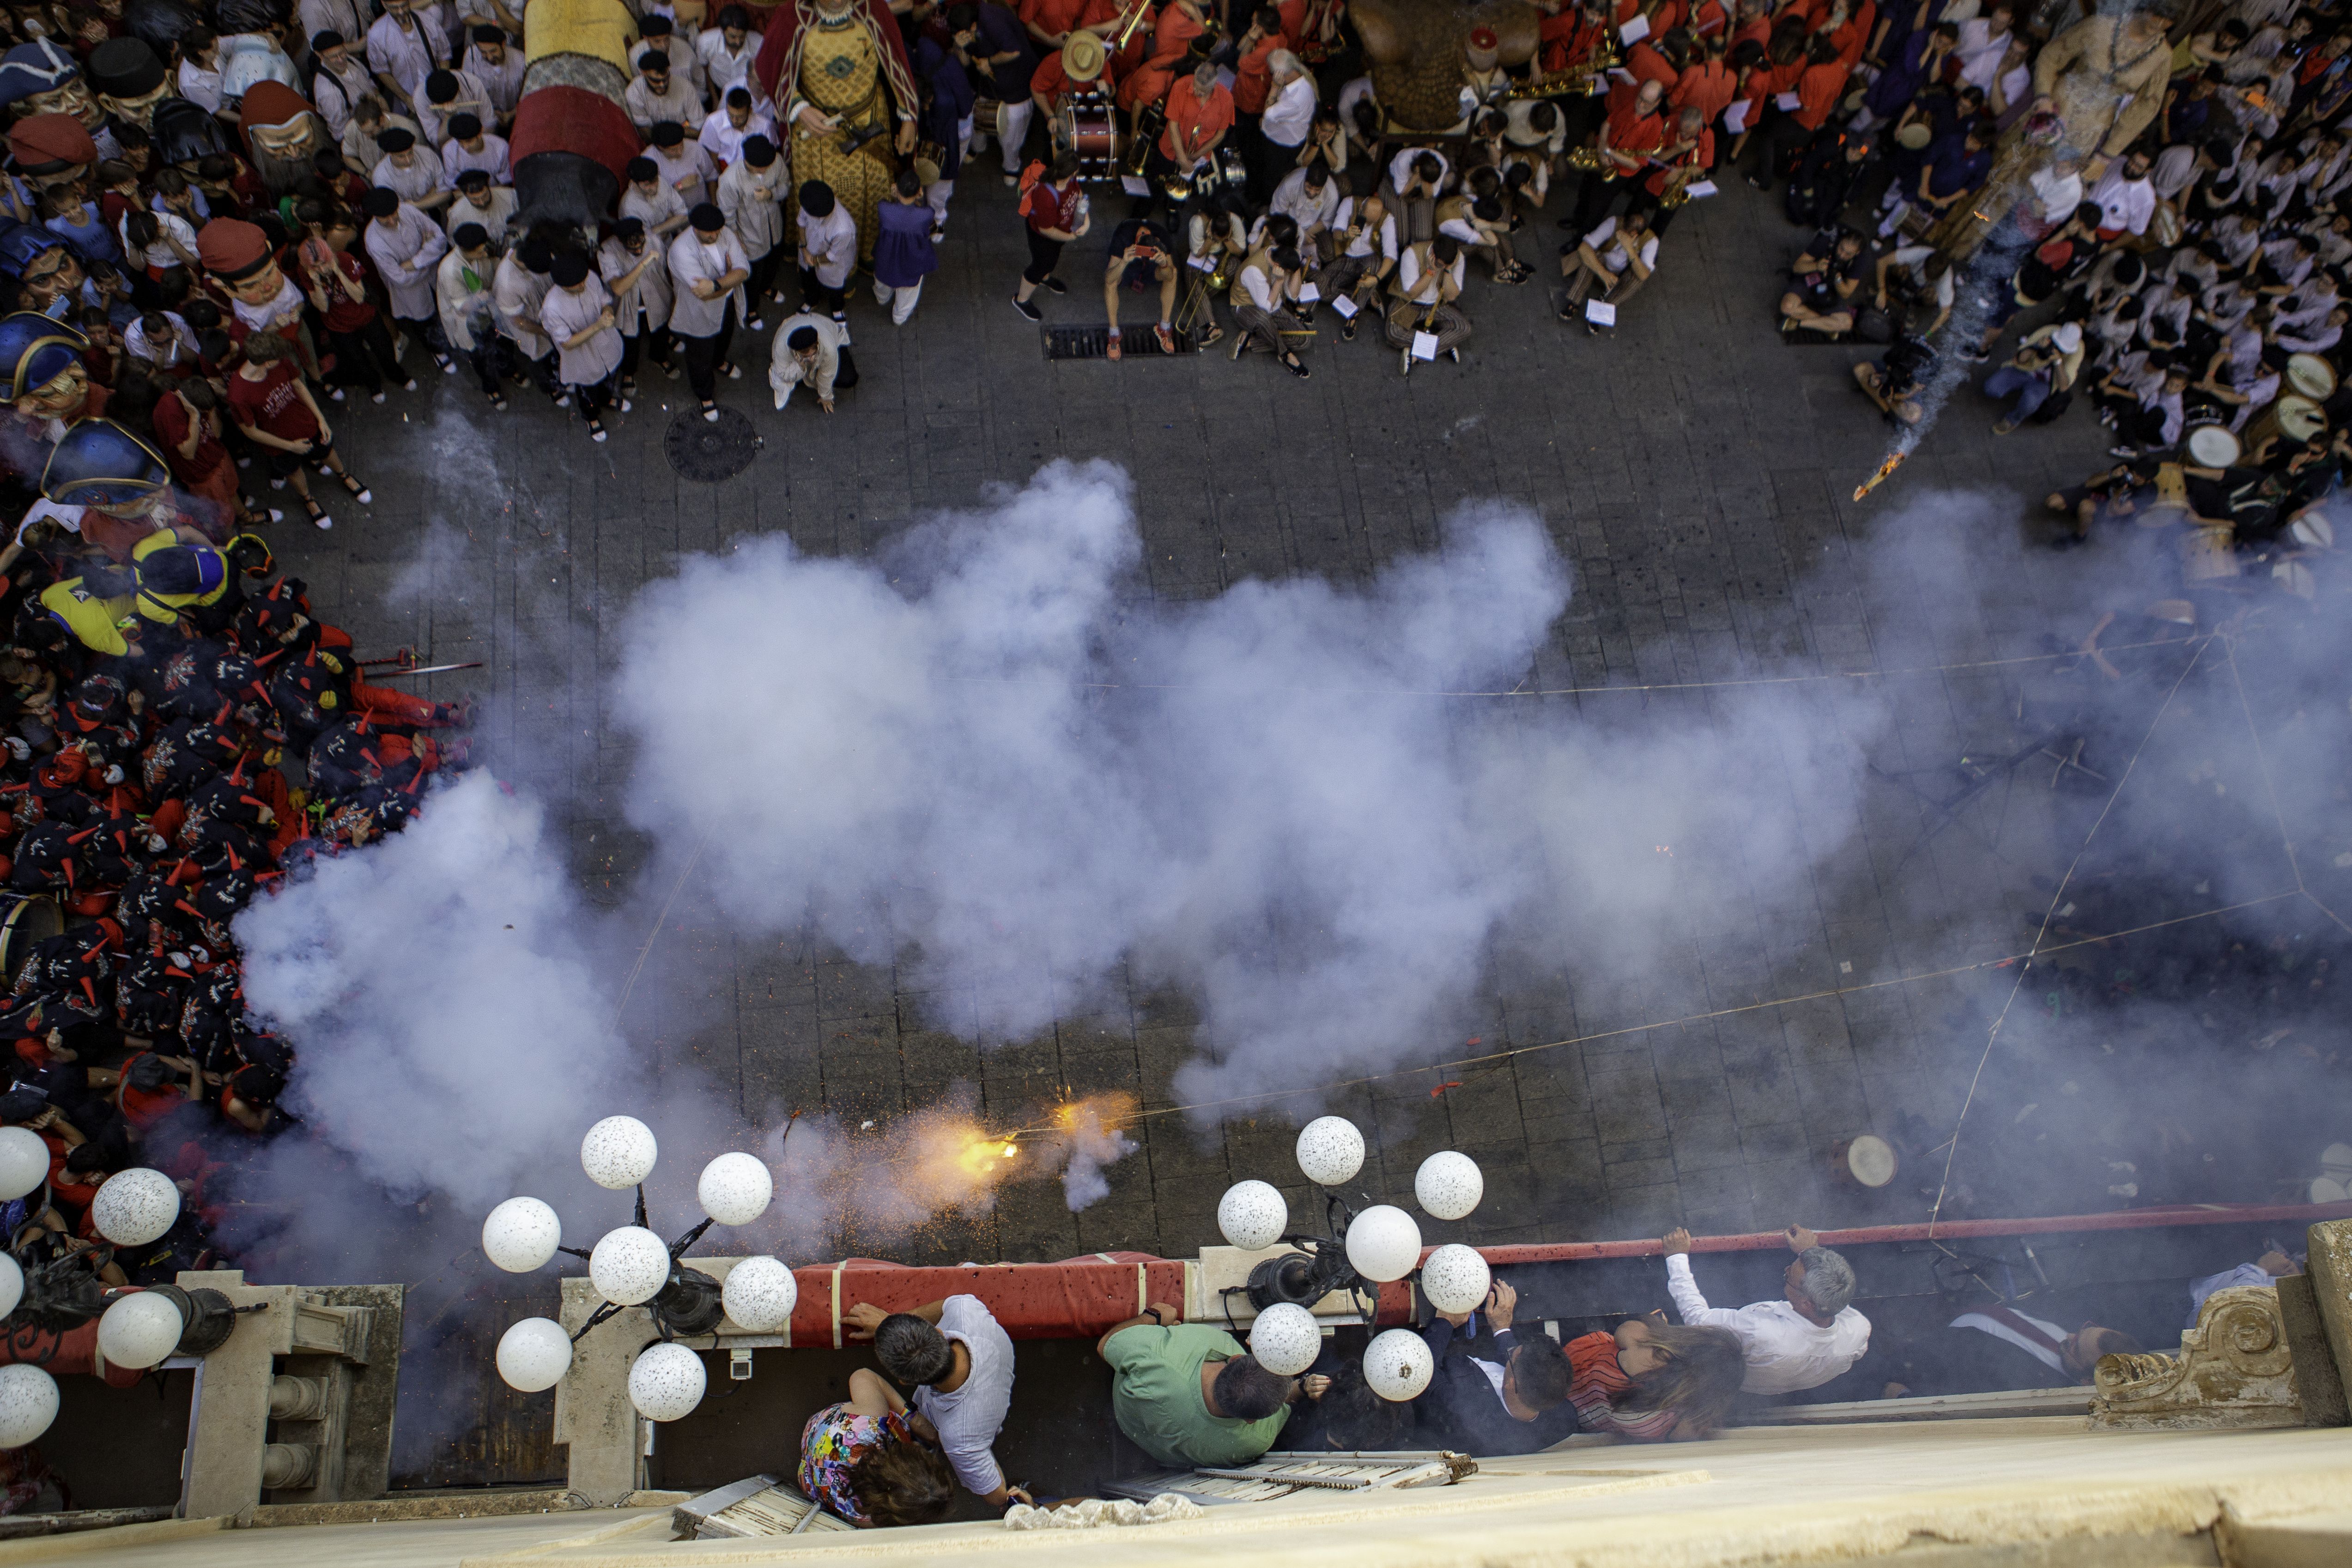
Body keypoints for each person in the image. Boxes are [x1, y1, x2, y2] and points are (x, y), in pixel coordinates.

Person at [845, 1296, 1024, 1511]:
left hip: (970, 1431)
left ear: (906, 1381)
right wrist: (887, 1323)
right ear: (939, 1333)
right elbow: (949, 1302)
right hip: (995, 1388)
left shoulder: (960, 1440)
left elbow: (997, 1496)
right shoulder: (965, 1310)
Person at [1097, 1301, 1317, 1466]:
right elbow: (1279, 1400)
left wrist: (1154, 1318)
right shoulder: (1254, 1442)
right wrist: (1303, 1387)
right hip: (1140, 1436)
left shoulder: (1160, 1358)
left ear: (1237, 1358)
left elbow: (1105, 1345)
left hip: (1125, 1390)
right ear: (1250, 1420)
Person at [1662, 1225, 1871, 1395]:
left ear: (1806, 1304)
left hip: (1733, 1383)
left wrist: (1676, 1259)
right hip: (1780, 1385)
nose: (1786, 1269)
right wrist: (1809, 1252)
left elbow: (1698, 1320)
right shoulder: (1858, 1328)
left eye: (1790, 1276)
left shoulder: (1760, 1332)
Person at [1413, 1279, 1578, 1455]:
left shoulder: (1466, 1415)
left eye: (1513, 1355)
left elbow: (1423, 1373)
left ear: (1511, 1383)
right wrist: (1502, 1329)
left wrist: (1445, 1321)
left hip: (1436, 1364)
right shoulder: (1564, 1417)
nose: (1511, 1349)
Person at [225, 330, 370, 529]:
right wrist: (290, 446)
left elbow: (298, 386)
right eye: (277, 359)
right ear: (266, 362)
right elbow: (250, 431)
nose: (282, 360)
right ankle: (308, 499)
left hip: (306, 424)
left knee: (326, 451)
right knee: (293, 470)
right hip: (279, 444)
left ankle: (344, 475)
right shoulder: (238, 394)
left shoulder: (279, 362)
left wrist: (321, 419)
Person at [798, 1368, 957, 1528]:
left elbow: (862, 1375)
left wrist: (913, 1419)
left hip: (830, 1433)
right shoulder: (865, 1518)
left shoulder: (868, 1424)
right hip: (813, 1480)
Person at [1880, 1311, 2143, 1398]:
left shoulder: (2032, 1389)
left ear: (2087, 1381)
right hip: (1952, 1317)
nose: (2070, 1338)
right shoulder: (2070, 1338)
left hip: (1918, 1355)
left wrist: (1903, 1395)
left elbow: (1957, 1395)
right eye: (2082, 1331)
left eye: (2076, 1347)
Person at [1566, 1318, 1746, 1441]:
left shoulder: (1647, 1347)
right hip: (1580, 1415)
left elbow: (1625, 1329)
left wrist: (1665, 1338)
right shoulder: (1658, 1421)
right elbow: (1684, 1435)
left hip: (1571, 1368)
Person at [668, 201, 749, 421]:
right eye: (709, 232)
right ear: (695, 229)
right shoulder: (681, 250)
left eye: (717, 231)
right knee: (699, 357)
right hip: (698, 313)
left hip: (726, 302)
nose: (715, 235)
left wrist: (717, 285)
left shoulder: (725, 233)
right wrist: (731, 276)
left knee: (725, 337)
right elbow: (704, 295)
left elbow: (744, 270)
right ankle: (705, 395)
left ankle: (720, 361)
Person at [359, 185, 452, 374]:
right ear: (375, 216)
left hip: (431, 277)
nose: (393, 220)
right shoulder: (374, 240)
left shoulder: (408, 210)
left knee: (444, 308)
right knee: (423, 324)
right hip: (411, 290)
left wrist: (415, 263)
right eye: (386, 218)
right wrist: (427, 255)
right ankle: (437, 352)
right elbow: (400, 278)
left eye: (395, 214)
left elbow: (440, 238)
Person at [540, 250, 627, 442]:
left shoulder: (590, 279)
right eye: (576, 285)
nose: (582, 285)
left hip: (606, 345)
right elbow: (568, 343)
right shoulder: (552, 308)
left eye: (583, 280)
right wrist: (598, 326)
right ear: (562, 286)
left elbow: (605, 299)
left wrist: (607, 311)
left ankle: (607, 400)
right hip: (582, 358)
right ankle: (591, 417)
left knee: (608, 378)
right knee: (588, 391)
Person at [436, 221, 507, 410]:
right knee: (480, 356)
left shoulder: (483, 250)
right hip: (469, 321)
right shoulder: (450, 270)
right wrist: (488, 295)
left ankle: (509, 370)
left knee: (502, 344)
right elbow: (463, 307)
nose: (485, 254)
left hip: (490, 311)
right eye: (480, 252)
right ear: (466, 250)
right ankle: (491, 387)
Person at [719, 135, 789, 326]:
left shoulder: (776, 162)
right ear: (747, 161)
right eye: (760, 168)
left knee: (772, 263)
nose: (765, 170)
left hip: (774, 227)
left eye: (767, 166)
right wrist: (736, 242)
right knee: (752, 275)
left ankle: (766, 288)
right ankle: (750, 309)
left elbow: (785, 185)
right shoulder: (730, 180)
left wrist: (772, 194)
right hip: (749, 236)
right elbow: (728, 216)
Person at [602, 216, 676, 397]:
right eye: (633, 249)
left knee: (660, 330)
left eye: (641, 246)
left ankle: (659, 357)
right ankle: (629, 372)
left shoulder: (652, 239)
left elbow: (666, 268)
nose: (639, 250)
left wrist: (672, 294)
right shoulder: (607, 251)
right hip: (627, 304)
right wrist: (643, 263)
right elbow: (618, 288)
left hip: (656, 295)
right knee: (630, 340)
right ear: (621, 242)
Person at [1012, 152, 1086, 321]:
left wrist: (1085, 219)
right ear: (1073, 172)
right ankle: (1021, 300)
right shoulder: (1045, 194)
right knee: (1041, 264)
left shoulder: (1069, 180)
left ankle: (1044, 277)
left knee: (1051, 259)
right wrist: (1071, 238)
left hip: (1060, 232)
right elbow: (1046, 230)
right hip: (1043, 236)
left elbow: (1078, 194)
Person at [1561, 207, 1658, 333]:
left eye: (1629, 234)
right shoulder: (1614, 223)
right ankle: (1574, 302)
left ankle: (1604, 309)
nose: (1624, 234)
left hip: (1621, 277)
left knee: (1637, 279)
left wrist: (1629, 249)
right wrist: (1603, 273)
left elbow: (1644, 275)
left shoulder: (1651, 241)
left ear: (1636, 234)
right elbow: (1584, 249)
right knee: (1590, 257)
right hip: (1602, 266)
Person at [1388, 232, 1469, 375]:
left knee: (1463, 328)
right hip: (1410, 303)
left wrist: (1448, 271)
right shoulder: (1412, 253)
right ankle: (1444, 343)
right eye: (1440, 264)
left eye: (1446, 265)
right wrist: (1431, 271)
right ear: (1433, 253)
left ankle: (1416, 357)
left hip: (1438, 305)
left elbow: (1451, 296)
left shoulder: (1458, 259)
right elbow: (1413, 293)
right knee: (1393, 332)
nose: (1442, 267)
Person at [1103, 212, 1176, 359]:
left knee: (1173, 271)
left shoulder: (1163, 237)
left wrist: (1163, 264)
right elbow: (1109, 278)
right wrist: (1124, 261)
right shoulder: (1123, 236)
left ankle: (1164, 327)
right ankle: (1114, 333)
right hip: (1128, 268)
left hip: (1150, 270)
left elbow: (1170, 276)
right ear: (1136, 242)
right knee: (1111, 283)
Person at [871, 170, 937, 326]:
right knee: (908, 292)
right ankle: (899, 317)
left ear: (896, 189)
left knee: (881, 283)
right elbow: (926, 220)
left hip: (886, 257)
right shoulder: (926, 214)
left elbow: (888, 206)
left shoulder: (884, 209)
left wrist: (895, 196)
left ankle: (882, 299)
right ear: (919, 192)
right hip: (912, 261)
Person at [795, 179, 857, 325]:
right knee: (808, 278)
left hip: (833, 262)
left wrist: (814, 260)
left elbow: (833, 256)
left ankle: (837, 309)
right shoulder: (810, 202)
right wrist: (804, 248)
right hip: (807, 251)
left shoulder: (843, 229)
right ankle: (811, 300)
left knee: (835, 288)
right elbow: (801, 224)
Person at [768, 316, 846, 412]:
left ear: (817, 344)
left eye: (813, 354)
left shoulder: (828, 347)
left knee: (847, 379)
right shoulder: (782, 347)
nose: (812, 359)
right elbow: (783, 374)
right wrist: (800, 367)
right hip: (794, 336)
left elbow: (827, 374)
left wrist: (825, 397)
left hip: (830, 336)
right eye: (807, 357)